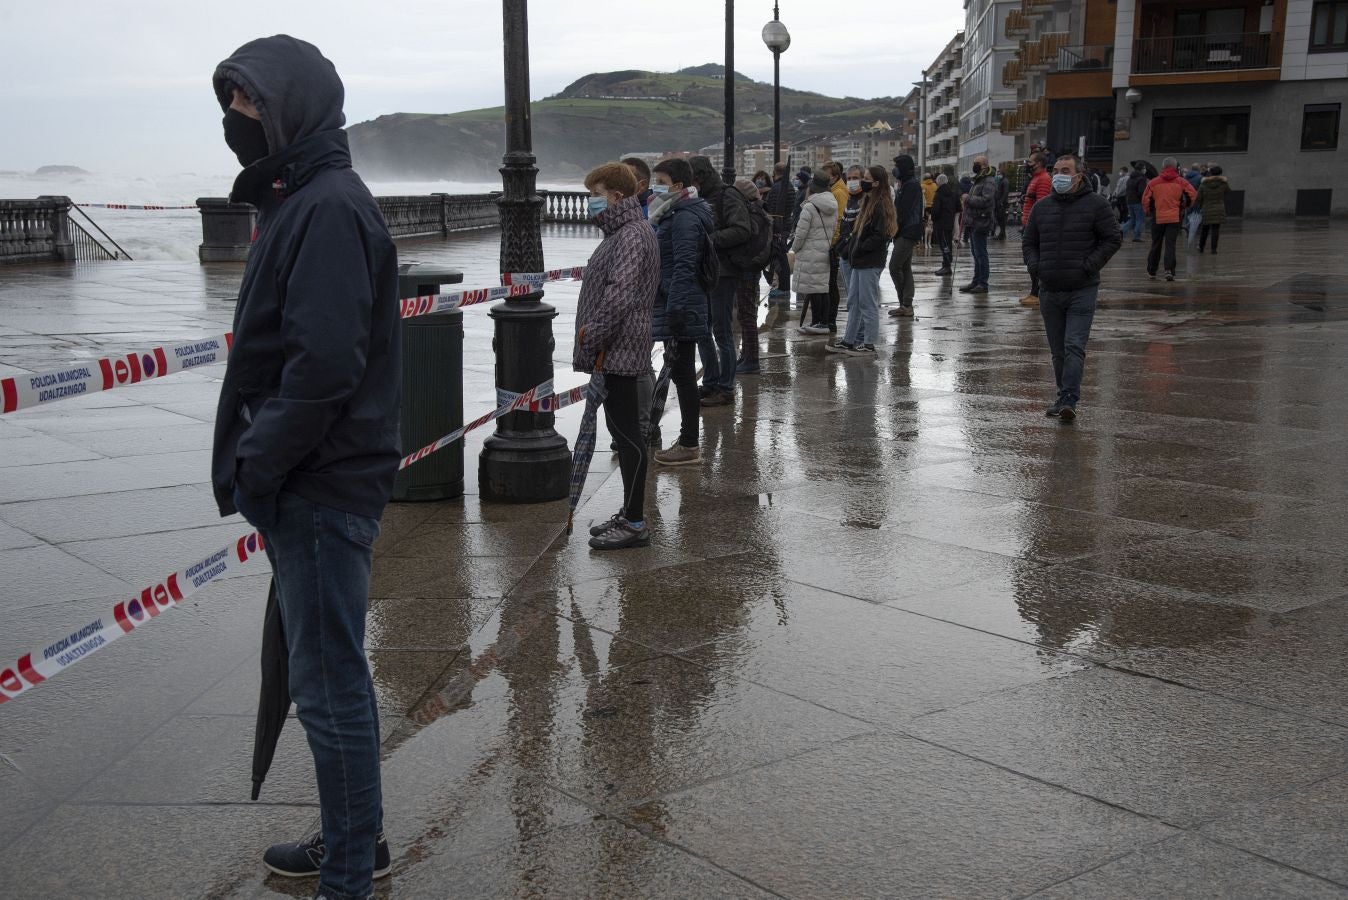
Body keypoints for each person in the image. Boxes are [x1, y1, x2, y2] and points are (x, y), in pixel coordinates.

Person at [211, 36, 399, 898]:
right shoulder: (305, 198)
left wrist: (258, 463)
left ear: (292, 108)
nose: (235, 120)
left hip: (318, 483)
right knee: (330, 677)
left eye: (249, 103)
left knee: (329, 691)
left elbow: (323, 366)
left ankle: (349, 876)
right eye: (232, 103)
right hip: (318, 477)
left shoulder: (324, 207)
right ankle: (361, 839)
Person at [576, 163, 660, 550]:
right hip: (621, 347)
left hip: (619, 349)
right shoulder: (627, 231)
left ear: (616, 196)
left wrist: (591, 335)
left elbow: (619, 294)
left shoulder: (629, 235)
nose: (591, 200)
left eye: (596, 193)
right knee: (626, 435)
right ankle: (630, 514)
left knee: (628, 437)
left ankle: (635, 522)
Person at [1022, 153, 1122, 420]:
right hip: (1050, 288)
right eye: (1056, 170)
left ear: (1079, 175)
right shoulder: (1042, 208)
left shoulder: (1096, 205)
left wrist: (1088, 265)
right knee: (1057, 350)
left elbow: (1112, 238)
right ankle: (1061, 395)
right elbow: (1029, 242)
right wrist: (1036, 267)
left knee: (1074, 345)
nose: (1059, 176)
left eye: (1065, 170)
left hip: (1081, 289)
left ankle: (1069, 399)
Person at [649, 158, 714, 467]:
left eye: (660, 181)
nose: (655, 188)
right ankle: (688, 440)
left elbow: (684, 266)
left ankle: (689, 443)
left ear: (676, 185)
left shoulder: (684, 217)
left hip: (682, 304)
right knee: (681, 371)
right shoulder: (677, 211)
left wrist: (674, 309)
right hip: (681, 301)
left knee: (684, 374)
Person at [688, 155, 751, 407]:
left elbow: (742, 229)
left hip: (724, 272)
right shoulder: (699, 197)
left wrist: (709, 239)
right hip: (704, 271)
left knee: (721, 331)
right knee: (703, 330)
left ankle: (726, 388)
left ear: (699, 177)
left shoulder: (728, 195)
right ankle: (711, 383)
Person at [828, 165, 897, 356]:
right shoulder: (868, 201)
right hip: (859, 259)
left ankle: (868, 343)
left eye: (866, 178)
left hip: (869, 261)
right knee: (854, 301)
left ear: (876, 183)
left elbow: (879, 235)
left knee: (867, 303)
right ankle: (849, 340)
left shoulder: (880, 204)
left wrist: (859, 248)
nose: (862, 182)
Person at [621, 157, 660, 448]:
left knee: (641, 365)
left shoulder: (648, 216)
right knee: (640, 364)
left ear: (642, 184)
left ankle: (644, 428)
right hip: (642, 300)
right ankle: (642, 425)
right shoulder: (632, 215)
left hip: (642, 301)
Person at [792, 171, 838, 336]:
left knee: (813, 290)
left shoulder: (809, 207)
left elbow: (800, 233)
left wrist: (794, 249)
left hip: (809, 252)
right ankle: (819, 322)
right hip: (823, 250)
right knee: (820, 289)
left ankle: (820, 322)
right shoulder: (832, 204)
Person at [1142, 157, 1197, 281]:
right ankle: (1169, 270)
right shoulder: (1181, 181)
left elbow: (1145, 199)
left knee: (1156, 244)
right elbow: (1192, 194)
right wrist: (1184, 206)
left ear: (1163, 167)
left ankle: (1152, 270)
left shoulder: (1153, 182)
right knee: (1170, 244)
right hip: (1174, 217)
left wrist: (1150, 211)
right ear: (1176, 167)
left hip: (1158, 217)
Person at [733, 177, 767, 374]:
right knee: (747, 314)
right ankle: (747, 355)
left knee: (747, 315)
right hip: (752, 267)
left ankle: (751, 359)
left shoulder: (751, 213)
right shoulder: (759, 210)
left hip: (748, 268)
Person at [888, 154, 923, 317]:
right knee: (904, 267)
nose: (894, 169)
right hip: (903, 231)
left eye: (896, 166)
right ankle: (906, 304)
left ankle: (905, 302)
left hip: (908, 231)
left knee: (895, 267)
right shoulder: (904, 184)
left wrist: (893, 229)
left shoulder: (911, 186)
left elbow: (903, 212)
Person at [961, 155, 998, 295]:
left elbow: (986, 200)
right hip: (973, 221)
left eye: (976, 163)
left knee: (981, 253)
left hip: (981, 221)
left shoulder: (988, 181)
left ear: (983, 165)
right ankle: (976, 280)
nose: (974, 165)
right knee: (975, 253)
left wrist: (968, 198)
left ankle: (983, 283)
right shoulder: (978, 179)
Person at [1019, 152, 1052, 305]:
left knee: (1034, 260)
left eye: (1030, 161)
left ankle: (1037, 293)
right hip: (1028, 224)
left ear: (1038, 163)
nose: (1028, 163)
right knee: (1030, 260)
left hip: (1034, 226)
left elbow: (1042, 204)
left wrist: (1035, 226)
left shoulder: (1044, 179)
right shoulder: (1036, 178)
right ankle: (1034, 292)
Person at [764, 161, 795, 302]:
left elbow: (772, 208)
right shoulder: (789, 186)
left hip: (778, 226)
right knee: (781, 256)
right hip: (787, 223)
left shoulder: (777, 188)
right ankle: (783, 286)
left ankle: (783, 287)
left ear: (774, 172)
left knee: (779, 257)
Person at [930, 173, 959, 276]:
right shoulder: (953, 193)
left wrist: (933, 218)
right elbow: (959, 208)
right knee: (948, 244)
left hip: (940, 224)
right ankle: (946, 264)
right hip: (949, 223)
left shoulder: (938, 194)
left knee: (944, 245)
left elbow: (935, 211)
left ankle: (946, 265)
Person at [1196, 165, 1229, 254]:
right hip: (1219, 208)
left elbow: (1198, 197)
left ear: (1210, 173)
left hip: (1206, 208)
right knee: (1215, 229)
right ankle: (1213, 249)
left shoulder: (1204, 184)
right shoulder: (1223, 183)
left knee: (1205, 229)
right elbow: (1228, 192)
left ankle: (1201, 247)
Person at [1125, 164, 1148, 242]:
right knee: (1139, 219)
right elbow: (1141, 191)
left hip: (1129, 201)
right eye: (1144, 168)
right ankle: (1137, 237)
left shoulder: (1130, 178)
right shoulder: (1142, 178)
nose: (1145, 170)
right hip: (1138, 202)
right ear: (1141, 169)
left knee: (1133, 220)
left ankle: (1120, 232)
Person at [994, 168, 1010, 239]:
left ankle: (1002, 234)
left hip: (1001, 203)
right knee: (1000, 218)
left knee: (1001, 218)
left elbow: (1005, 192)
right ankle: (1002, 233)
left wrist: (1001, 201)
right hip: (999, 202)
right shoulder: (1001, 181)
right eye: (997, 173)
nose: (998, 175)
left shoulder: (1005, 181)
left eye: (999, 173)